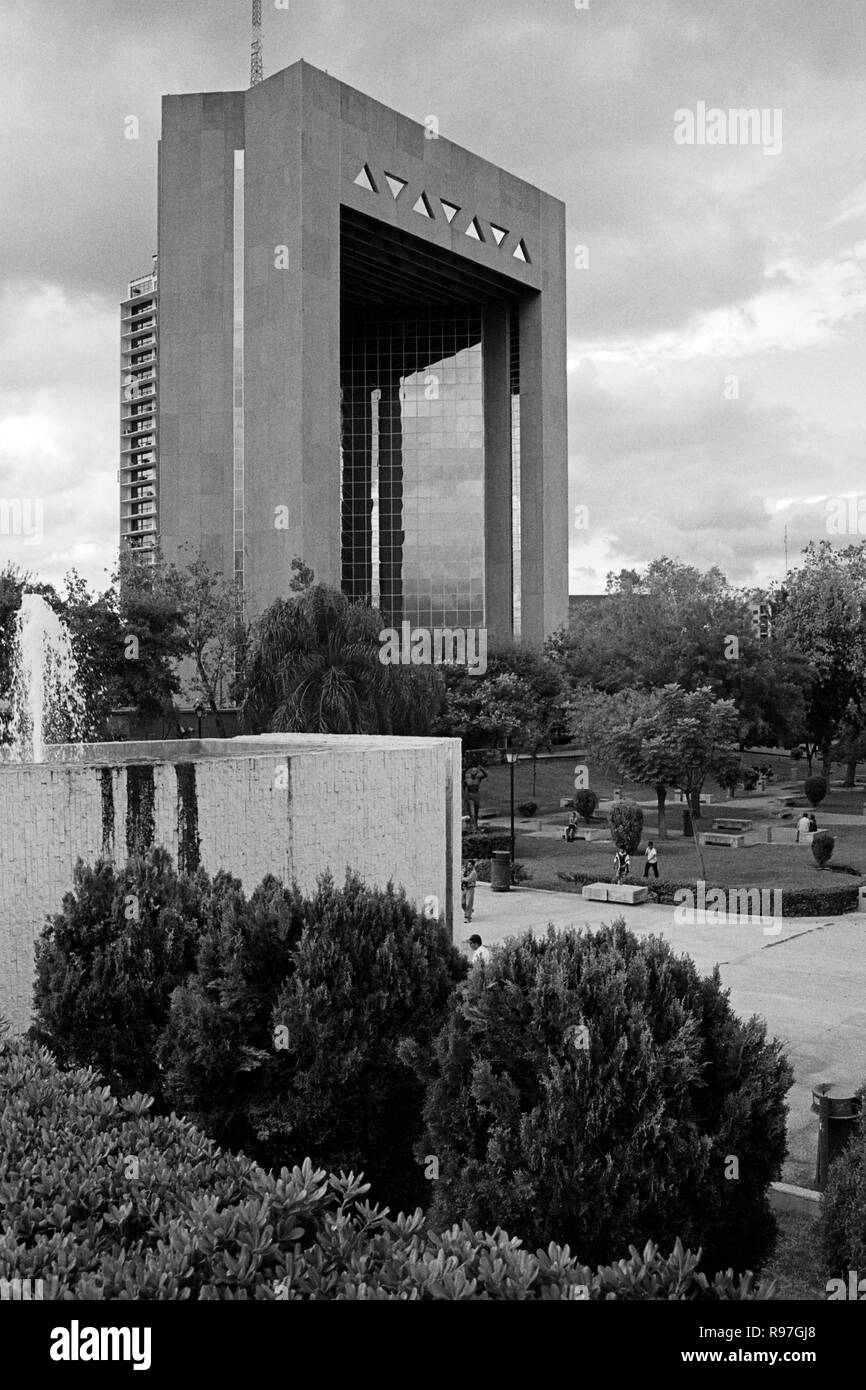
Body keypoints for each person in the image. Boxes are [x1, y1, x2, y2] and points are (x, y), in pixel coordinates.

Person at [463, 762, 488, 831]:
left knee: (476, 812)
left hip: (476, 795)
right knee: (472, 813)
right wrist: (464, 797)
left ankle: (475, 826)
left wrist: (482, 769)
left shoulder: (478, 777)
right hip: (470, 795)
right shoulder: (467, 777)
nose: (474, 772)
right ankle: (473, 827)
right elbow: (464, 786)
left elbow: (486, 775)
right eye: (473, 771)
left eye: (475, 771)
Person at [461, 859, 478, 923]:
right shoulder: (466, 871)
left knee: (469, 903)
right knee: (462, 903)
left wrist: (462, 879)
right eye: (468, 864)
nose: (468, 866)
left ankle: (467, 918)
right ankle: (469, 911)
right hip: (464, 888)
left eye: (470, 865)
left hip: (470, 889)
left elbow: (468, 879)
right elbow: (461, 876)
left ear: (473, 866)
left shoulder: (473, 873)